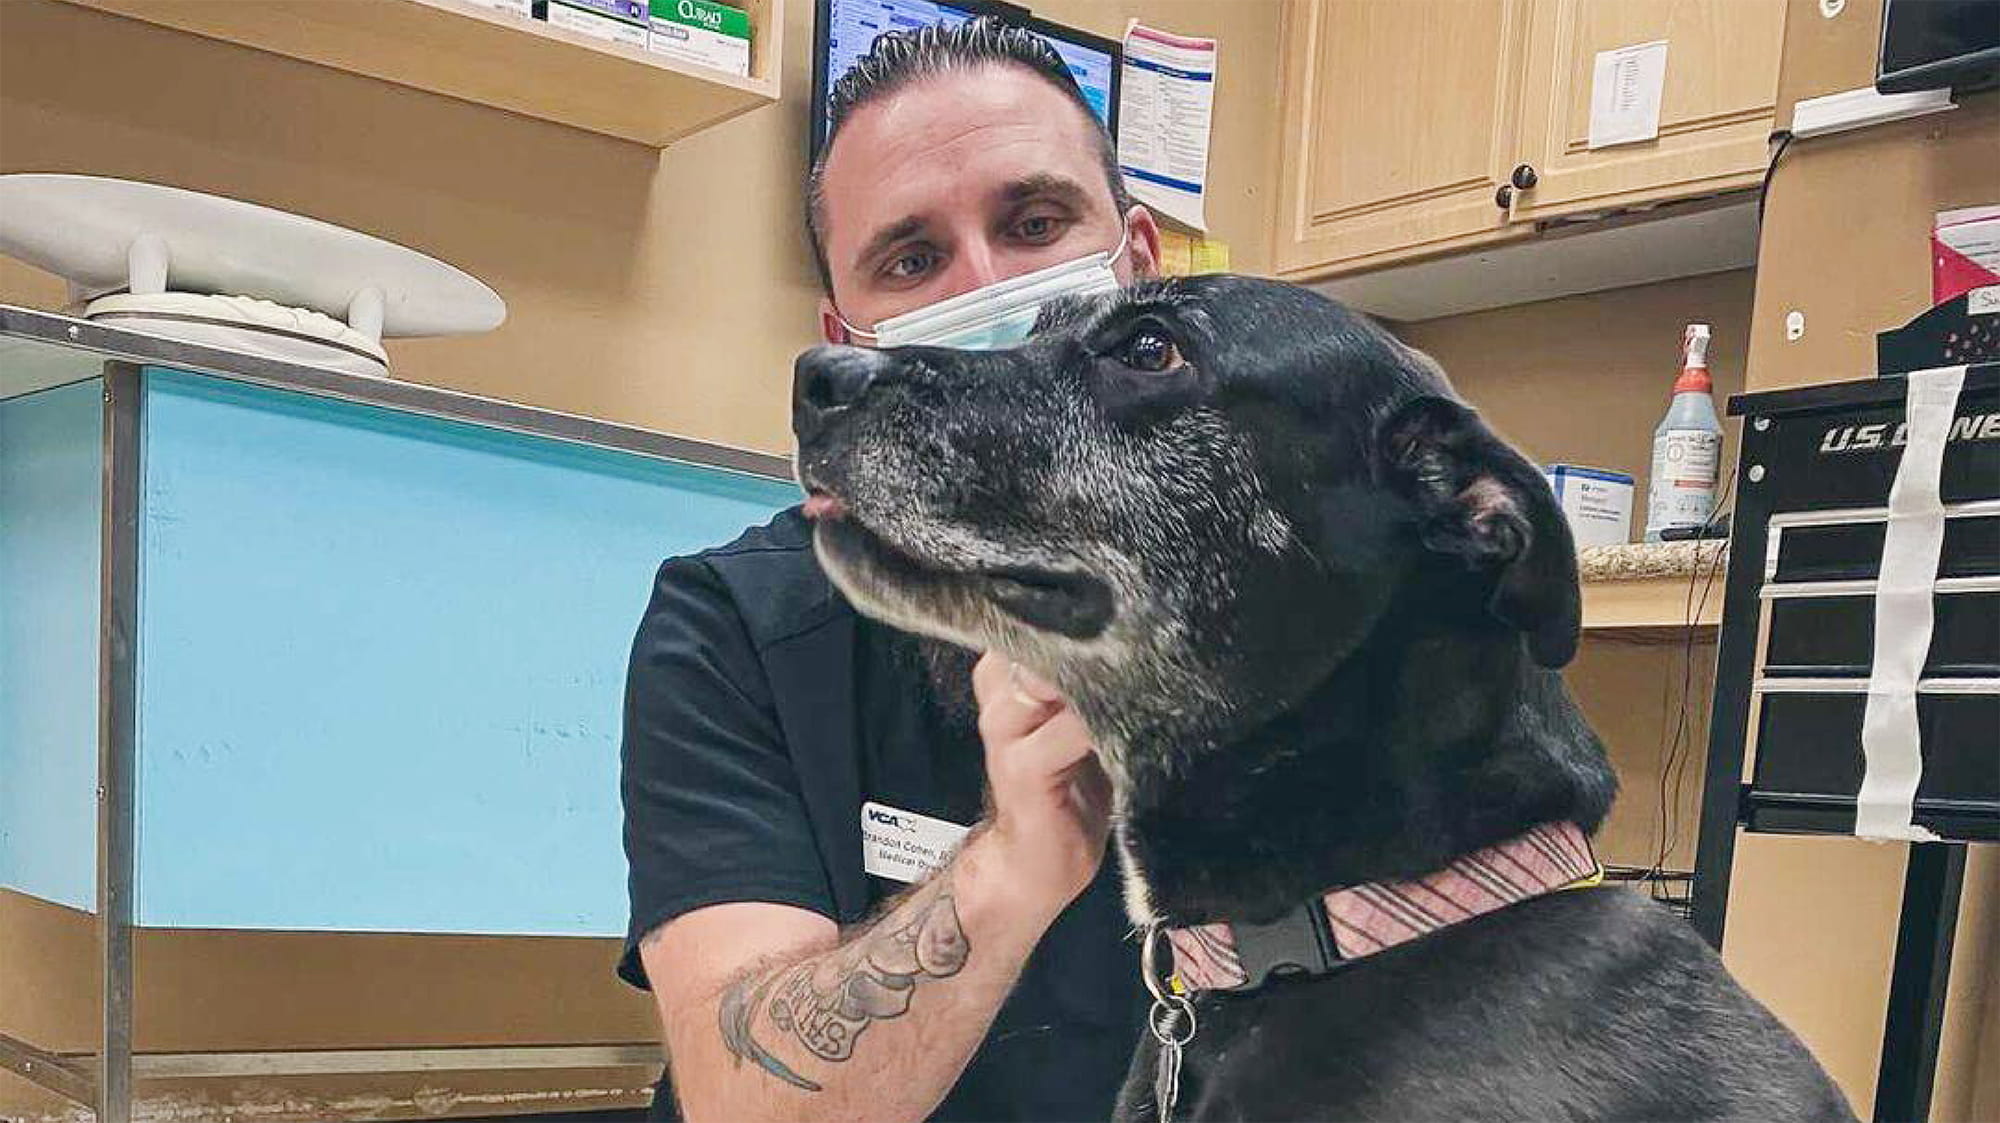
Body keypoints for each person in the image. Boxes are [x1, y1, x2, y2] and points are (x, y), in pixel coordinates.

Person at [616, 16, 1165, 1123]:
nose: (988, 287)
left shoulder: (1292, 591)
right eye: (912, 260)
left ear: (1138, 264)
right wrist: (1014, 862)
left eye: (1035, 221)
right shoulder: (737, 624)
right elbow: (745, 1105)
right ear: (849, 338)